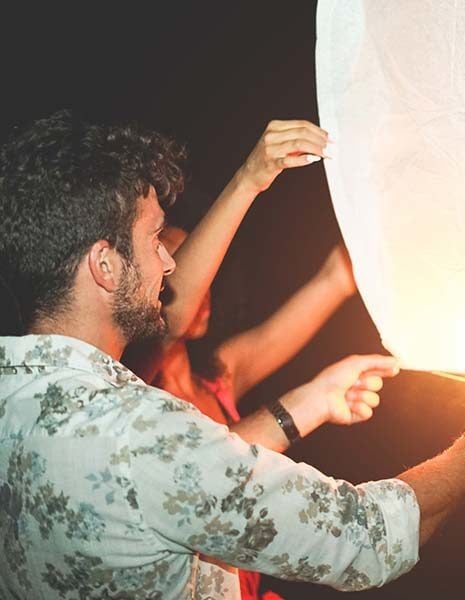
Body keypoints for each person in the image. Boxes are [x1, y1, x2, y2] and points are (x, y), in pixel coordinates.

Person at [0, 110, 465, 598]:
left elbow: (175, 479)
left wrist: (311, 399)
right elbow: (369, 538)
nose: (170, 265)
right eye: (155, 241)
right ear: (104, 265)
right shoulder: (142, 434)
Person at [119, 121, 360, 600]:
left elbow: (335, 278)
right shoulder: (130, 387)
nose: (192, 276)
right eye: (176, 261)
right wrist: (251, 174)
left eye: (205, 262)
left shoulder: (220, 375)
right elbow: (171, 311)